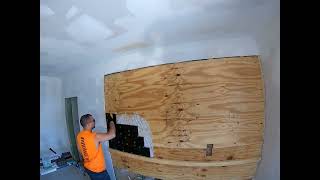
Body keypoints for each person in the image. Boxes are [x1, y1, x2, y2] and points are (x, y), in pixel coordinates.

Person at [76, 114, 116, 180]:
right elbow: (112, 134)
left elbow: (79, 149)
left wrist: (87, 155)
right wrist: (111, 121)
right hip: (98, 172)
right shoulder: (95, 136)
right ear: (88, 124)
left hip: (88, 167)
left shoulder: (79, 135)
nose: (95, 121)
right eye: (93, 120)